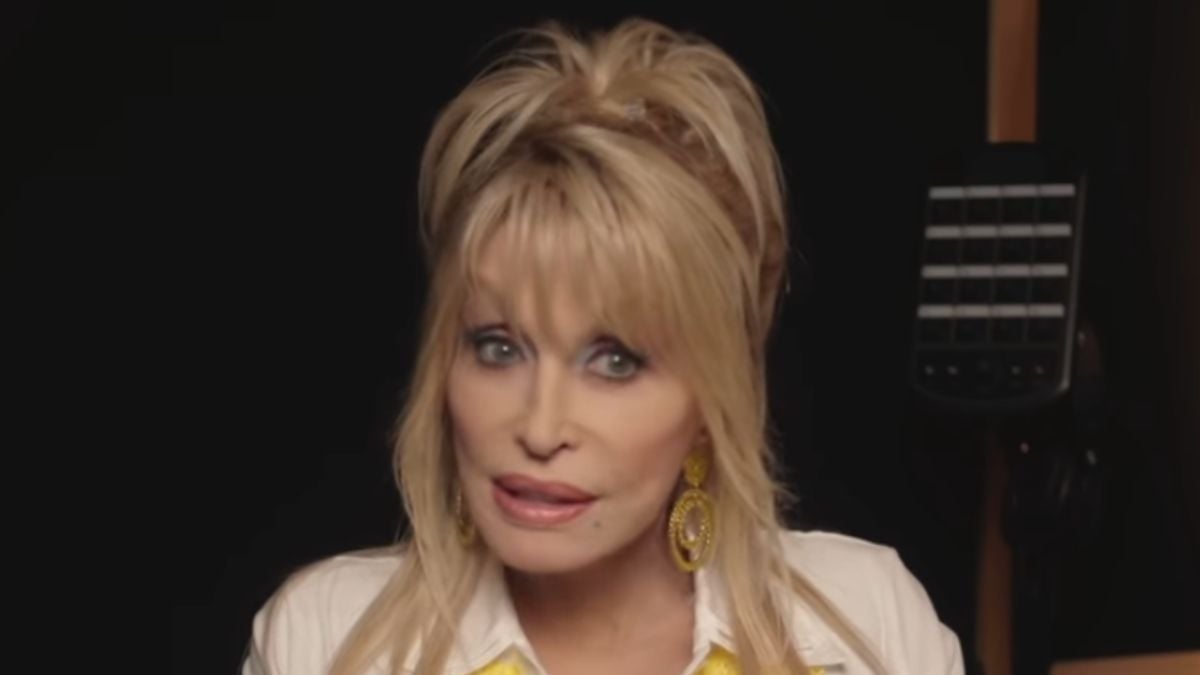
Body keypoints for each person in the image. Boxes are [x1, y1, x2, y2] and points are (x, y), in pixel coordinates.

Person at [242, 16, 964, 675]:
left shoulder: (864, 624)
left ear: (713, 399)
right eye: (498, 347)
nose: (540, 428)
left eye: (615, 361)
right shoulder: (330, 638)